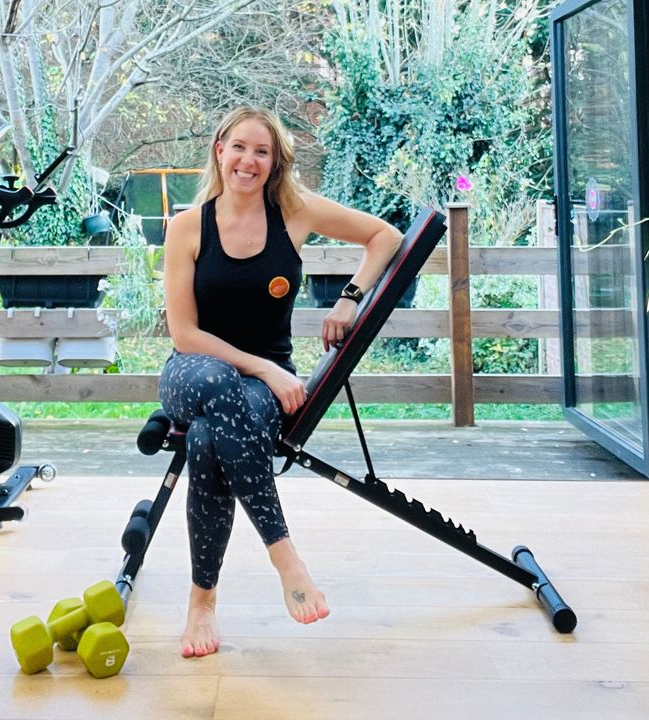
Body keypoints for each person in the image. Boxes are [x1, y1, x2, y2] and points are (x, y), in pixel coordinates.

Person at [159, 106, 402, 658]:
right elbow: (185, 333)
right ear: (219, 149)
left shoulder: (292, 212)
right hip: (194, 371)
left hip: (259, 394)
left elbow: (384, 237)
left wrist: (350, 296)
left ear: (274, 163)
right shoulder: (187, 227)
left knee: (205, 440)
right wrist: (266, 367)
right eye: (239, 147)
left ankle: (201, 602)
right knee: (220, 382)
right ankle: (285, 557)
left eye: (262, 151)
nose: (249, 160)